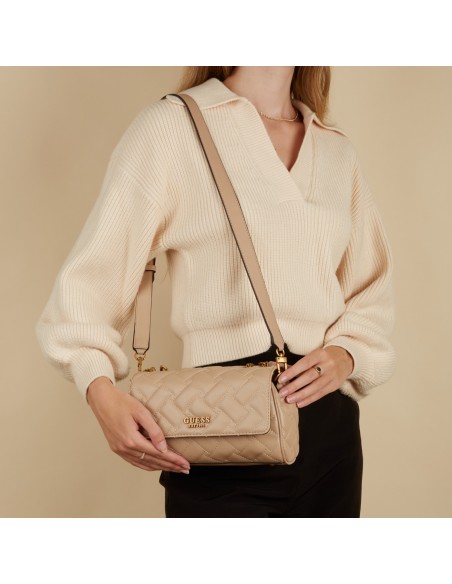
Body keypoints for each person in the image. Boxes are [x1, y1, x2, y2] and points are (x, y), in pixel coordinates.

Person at [35, 66, 397, 517]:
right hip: (220, 421)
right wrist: (100, 392)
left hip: (329, 436)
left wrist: (348, 353)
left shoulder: (337, 151)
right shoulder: (174, 126)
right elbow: (91, 280)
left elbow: (371, 288)